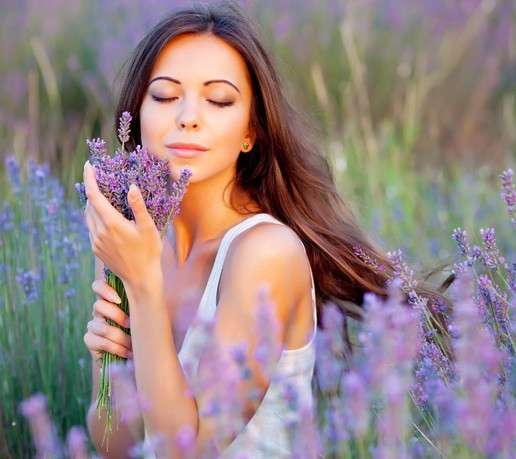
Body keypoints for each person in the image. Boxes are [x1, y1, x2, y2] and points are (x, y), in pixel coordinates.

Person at [81, 2, 450, 457]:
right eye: (164, 95)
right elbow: (114, 444)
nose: (188, 117)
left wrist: (142, 287)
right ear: (136, 115)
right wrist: (107, 365)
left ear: (250, 132)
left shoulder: (265, 252)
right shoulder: (136, 243)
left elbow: (185, 449)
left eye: (218, 100)